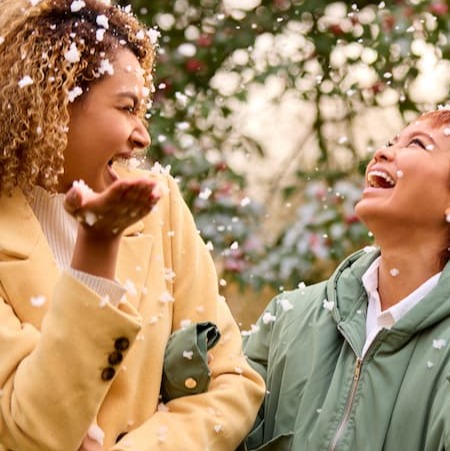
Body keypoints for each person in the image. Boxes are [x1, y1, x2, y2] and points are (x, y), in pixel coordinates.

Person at [0, 1, 264, 449]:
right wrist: (97, 248)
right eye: (126, 108)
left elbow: (232, 382)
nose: (142, 136)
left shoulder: (159, 204)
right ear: (54, 102)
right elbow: (32, 425)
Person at [237, 107, 450, 450]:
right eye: (390, 142)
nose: (382, 153)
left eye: (417, 144)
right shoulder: (290, 318)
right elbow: (221, 426)